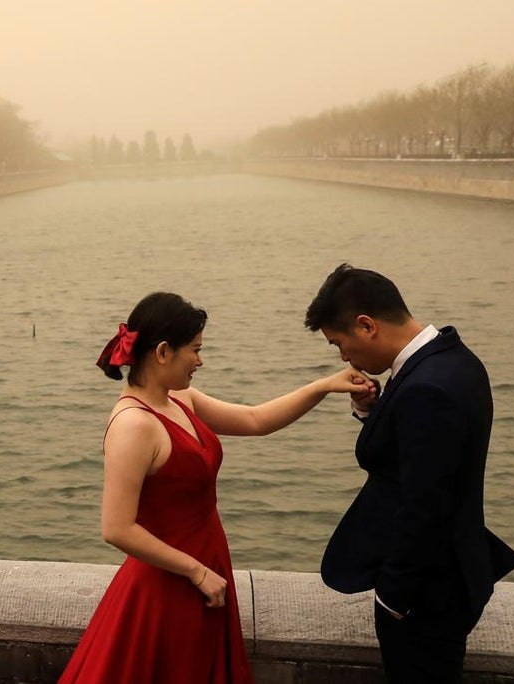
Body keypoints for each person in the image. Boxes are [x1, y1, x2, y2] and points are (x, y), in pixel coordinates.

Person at [59, 291, 368, 683]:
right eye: (195, 350)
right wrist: (196, 571)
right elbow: (116, 528)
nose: (200, 361)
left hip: (206, 566)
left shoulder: (180, 399)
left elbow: (255, 420)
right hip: (169, 582)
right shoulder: (133, 425)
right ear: (163, 352)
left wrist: (324, 386)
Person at [304, 263, 514, 683]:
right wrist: (372, 411)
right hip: (443, 578)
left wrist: (393, 597)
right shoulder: (453, 359)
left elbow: (424, 506)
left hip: (428, 593)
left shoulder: (427, 387)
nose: (344, 357)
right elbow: (420, 461)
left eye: (340, 344)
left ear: (366, 326)